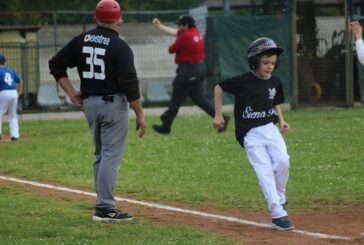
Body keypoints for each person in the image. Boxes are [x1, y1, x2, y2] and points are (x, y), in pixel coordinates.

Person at [49, 0, 147, 221]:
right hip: (113, 104)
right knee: (110, 156)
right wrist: (140, 114)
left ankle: (103, 203)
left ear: (95, 19)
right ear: (120, 20)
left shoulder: (81, 40)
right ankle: (105, 208)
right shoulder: (120, 46)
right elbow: (129, 82)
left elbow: (55, 64)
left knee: (101, 155)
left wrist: (71, 92)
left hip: (90, 104)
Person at [213, 37, 294, 231]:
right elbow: (219, 88)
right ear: (254, 62)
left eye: (273, 63)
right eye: (265, 63)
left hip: (270, 128)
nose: (270, 67)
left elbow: (275, 101)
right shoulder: (243, 81)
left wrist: (281, 120)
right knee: (264, 171)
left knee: (283, 161)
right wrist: (218, 114)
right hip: (250, 133)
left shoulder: (275, 82)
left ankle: (280, 197)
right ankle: (278, 214)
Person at [151, 15, 229, 134]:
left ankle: (165, 125)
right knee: (199, 99)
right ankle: (221, 117)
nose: (179, 27)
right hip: (199, 68)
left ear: (185, 25)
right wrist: (160, 26)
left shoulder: (185, 36)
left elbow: (171, 49)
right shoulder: (195, 33)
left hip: (188, 71)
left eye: (180, 25)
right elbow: (177, 33)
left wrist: (174, 42)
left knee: (176, 100)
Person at [0, 53, 23, 141]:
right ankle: (15, 135)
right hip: (13, 92)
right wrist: (19, 92)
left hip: (4, 92)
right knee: (13, 115)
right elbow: (20, 80)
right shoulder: (10, 70)